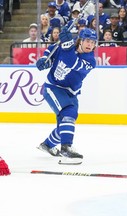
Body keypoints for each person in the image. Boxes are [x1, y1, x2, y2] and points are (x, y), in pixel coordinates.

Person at [35, 27, 97, 159]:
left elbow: (72, 62)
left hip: (71, 92)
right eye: (87, 41)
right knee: (69, 113)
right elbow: (53, 48)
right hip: (53, 87)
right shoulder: (66, 45)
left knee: (64, 123)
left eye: (93, 42)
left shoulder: (90, 60)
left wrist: (67, 46)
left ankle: (47, 145)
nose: (90, 45)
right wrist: (46, 59)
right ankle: (66, 147)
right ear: (80, 40)